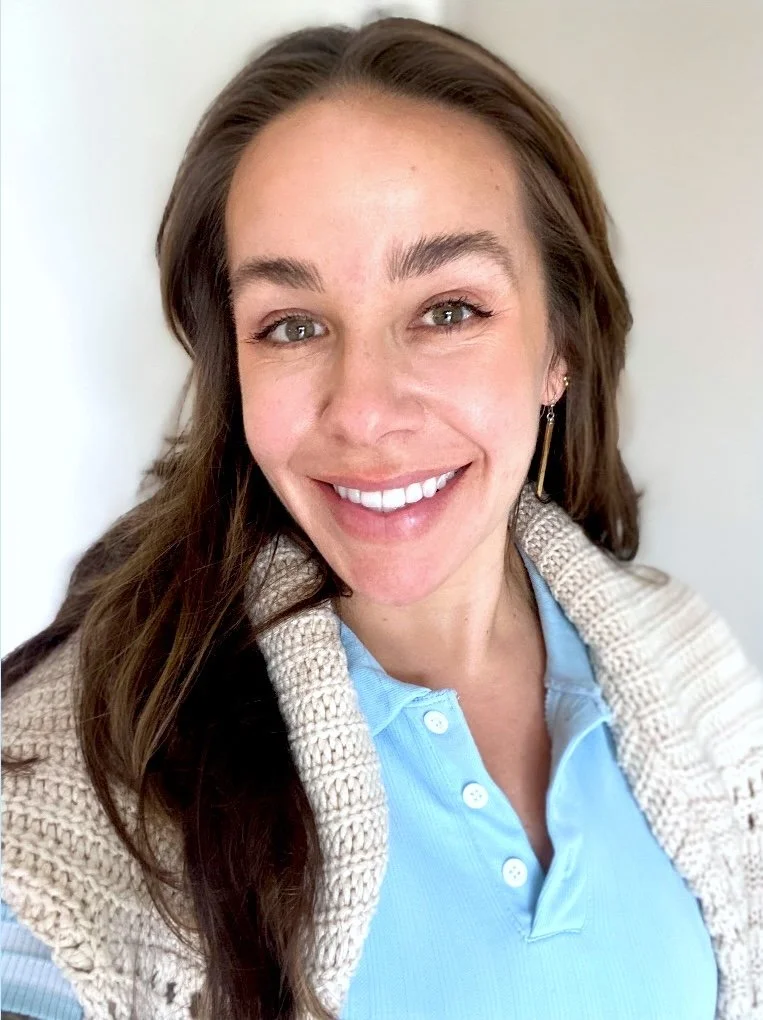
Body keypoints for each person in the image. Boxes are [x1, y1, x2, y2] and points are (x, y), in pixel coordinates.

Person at [2, 15, 761, 1020]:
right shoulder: (85, 786)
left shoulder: (694, 670)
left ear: (560, 348)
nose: (362, 411)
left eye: (447, 311)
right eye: (292, 325)